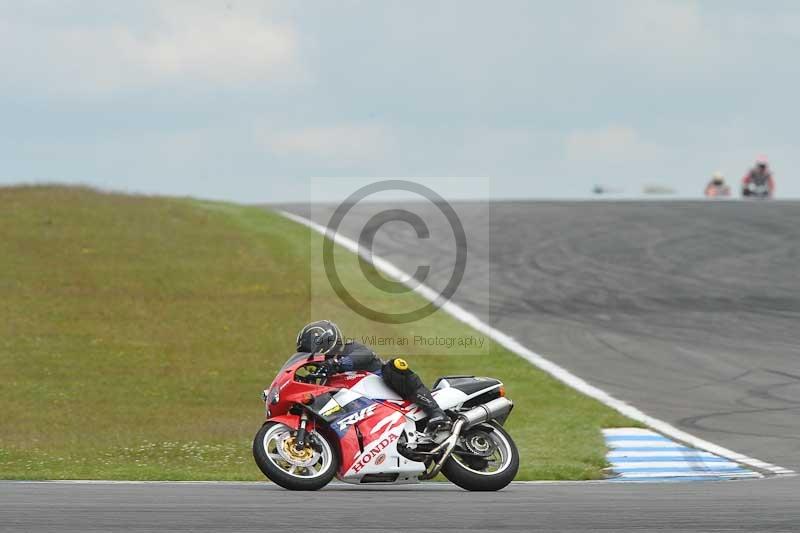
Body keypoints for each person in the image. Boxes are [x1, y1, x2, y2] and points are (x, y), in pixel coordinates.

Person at [295, 320, 451, 434]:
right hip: (371, 414)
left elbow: (365, 355)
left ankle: (436, 412)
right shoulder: (327, 378)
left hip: (391, 392)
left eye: (310, 351)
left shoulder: (348, 348)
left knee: (394, 366)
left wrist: (338, 363)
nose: (311, 357)